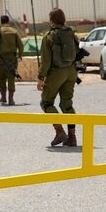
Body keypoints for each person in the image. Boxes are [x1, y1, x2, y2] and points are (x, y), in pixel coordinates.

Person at [37, 8, 78, 147]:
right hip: (71, 71)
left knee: (46, 103)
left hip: (56, 73)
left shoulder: (49, 36)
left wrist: (41, 77)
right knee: (67, 104)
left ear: (51, 20)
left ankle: (59, 131)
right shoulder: (71, 33)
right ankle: (72, 137)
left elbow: (46, 61)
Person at [0, 15, 24, 105]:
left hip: (1, 60)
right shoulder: (14, 32)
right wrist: (20, 55)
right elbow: (21, 45)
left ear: (1, 22)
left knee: (2, 78)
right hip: (12, 59)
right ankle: (11, 99)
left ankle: (3, 97)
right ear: (8, 21)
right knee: (11, 78)